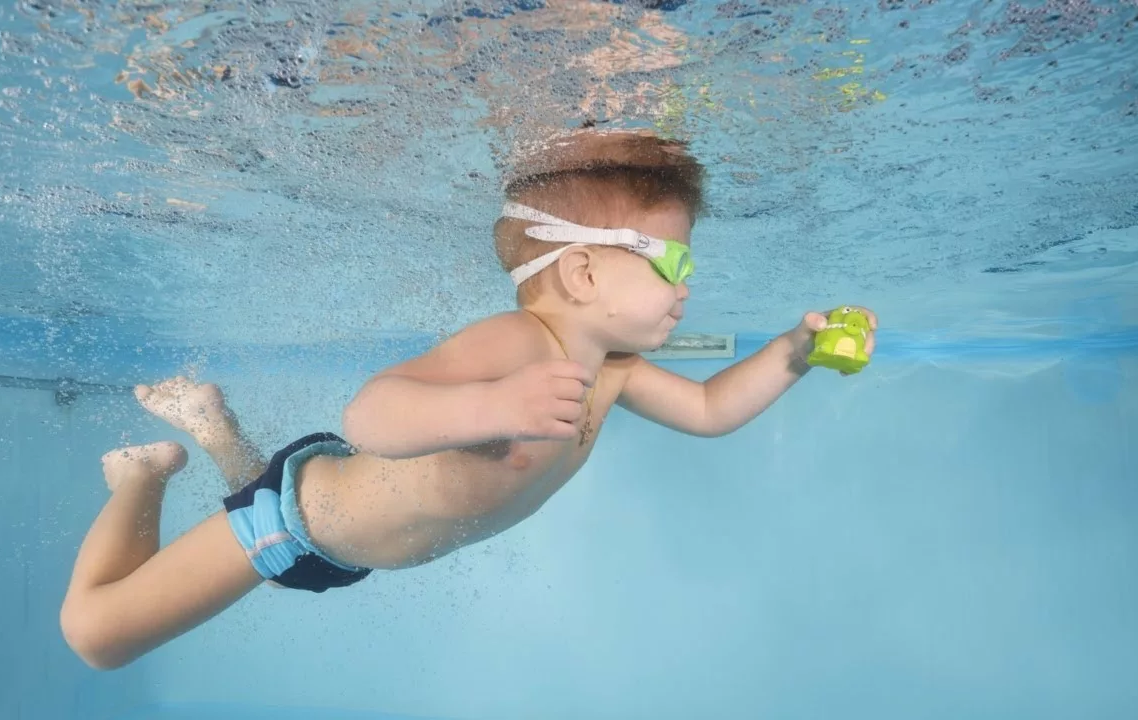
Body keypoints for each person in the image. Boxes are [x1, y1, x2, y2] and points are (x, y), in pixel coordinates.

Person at [59, 128, 878, 670]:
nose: (689, 288)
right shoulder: (516, 348)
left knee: (285, 579)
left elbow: (709, 413)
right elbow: (369, 415)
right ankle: (144, 471)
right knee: (97, 638)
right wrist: (492, 407)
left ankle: (214, 425)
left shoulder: (617, 368)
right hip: (294, 519)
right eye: (675, 265)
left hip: (342, 550)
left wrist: (791, 353)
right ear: (584, 272)